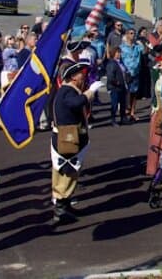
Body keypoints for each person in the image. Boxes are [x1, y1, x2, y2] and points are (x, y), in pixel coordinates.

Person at [50, 59, 104, 225]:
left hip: (72, 136)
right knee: (65, 171)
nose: (84, 78)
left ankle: (66, 203)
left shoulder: (69, 90)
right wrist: (90, 93)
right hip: (67, 138)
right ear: (73, 77)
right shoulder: (67, 91)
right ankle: (60, 208)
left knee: (71, 172)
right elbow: (75, 103)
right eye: (82, 74)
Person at [104, 46, 129, 125]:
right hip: (115, 87)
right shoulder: (111, 63)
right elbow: (110, 76)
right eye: (117, 52)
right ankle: (113, 119)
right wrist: (116, 82)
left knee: (123, 103)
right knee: (114, 104)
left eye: (119, 52)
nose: (119, 54)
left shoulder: (120, 62)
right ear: (113, 53)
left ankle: (123, 118)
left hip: (122, 86)